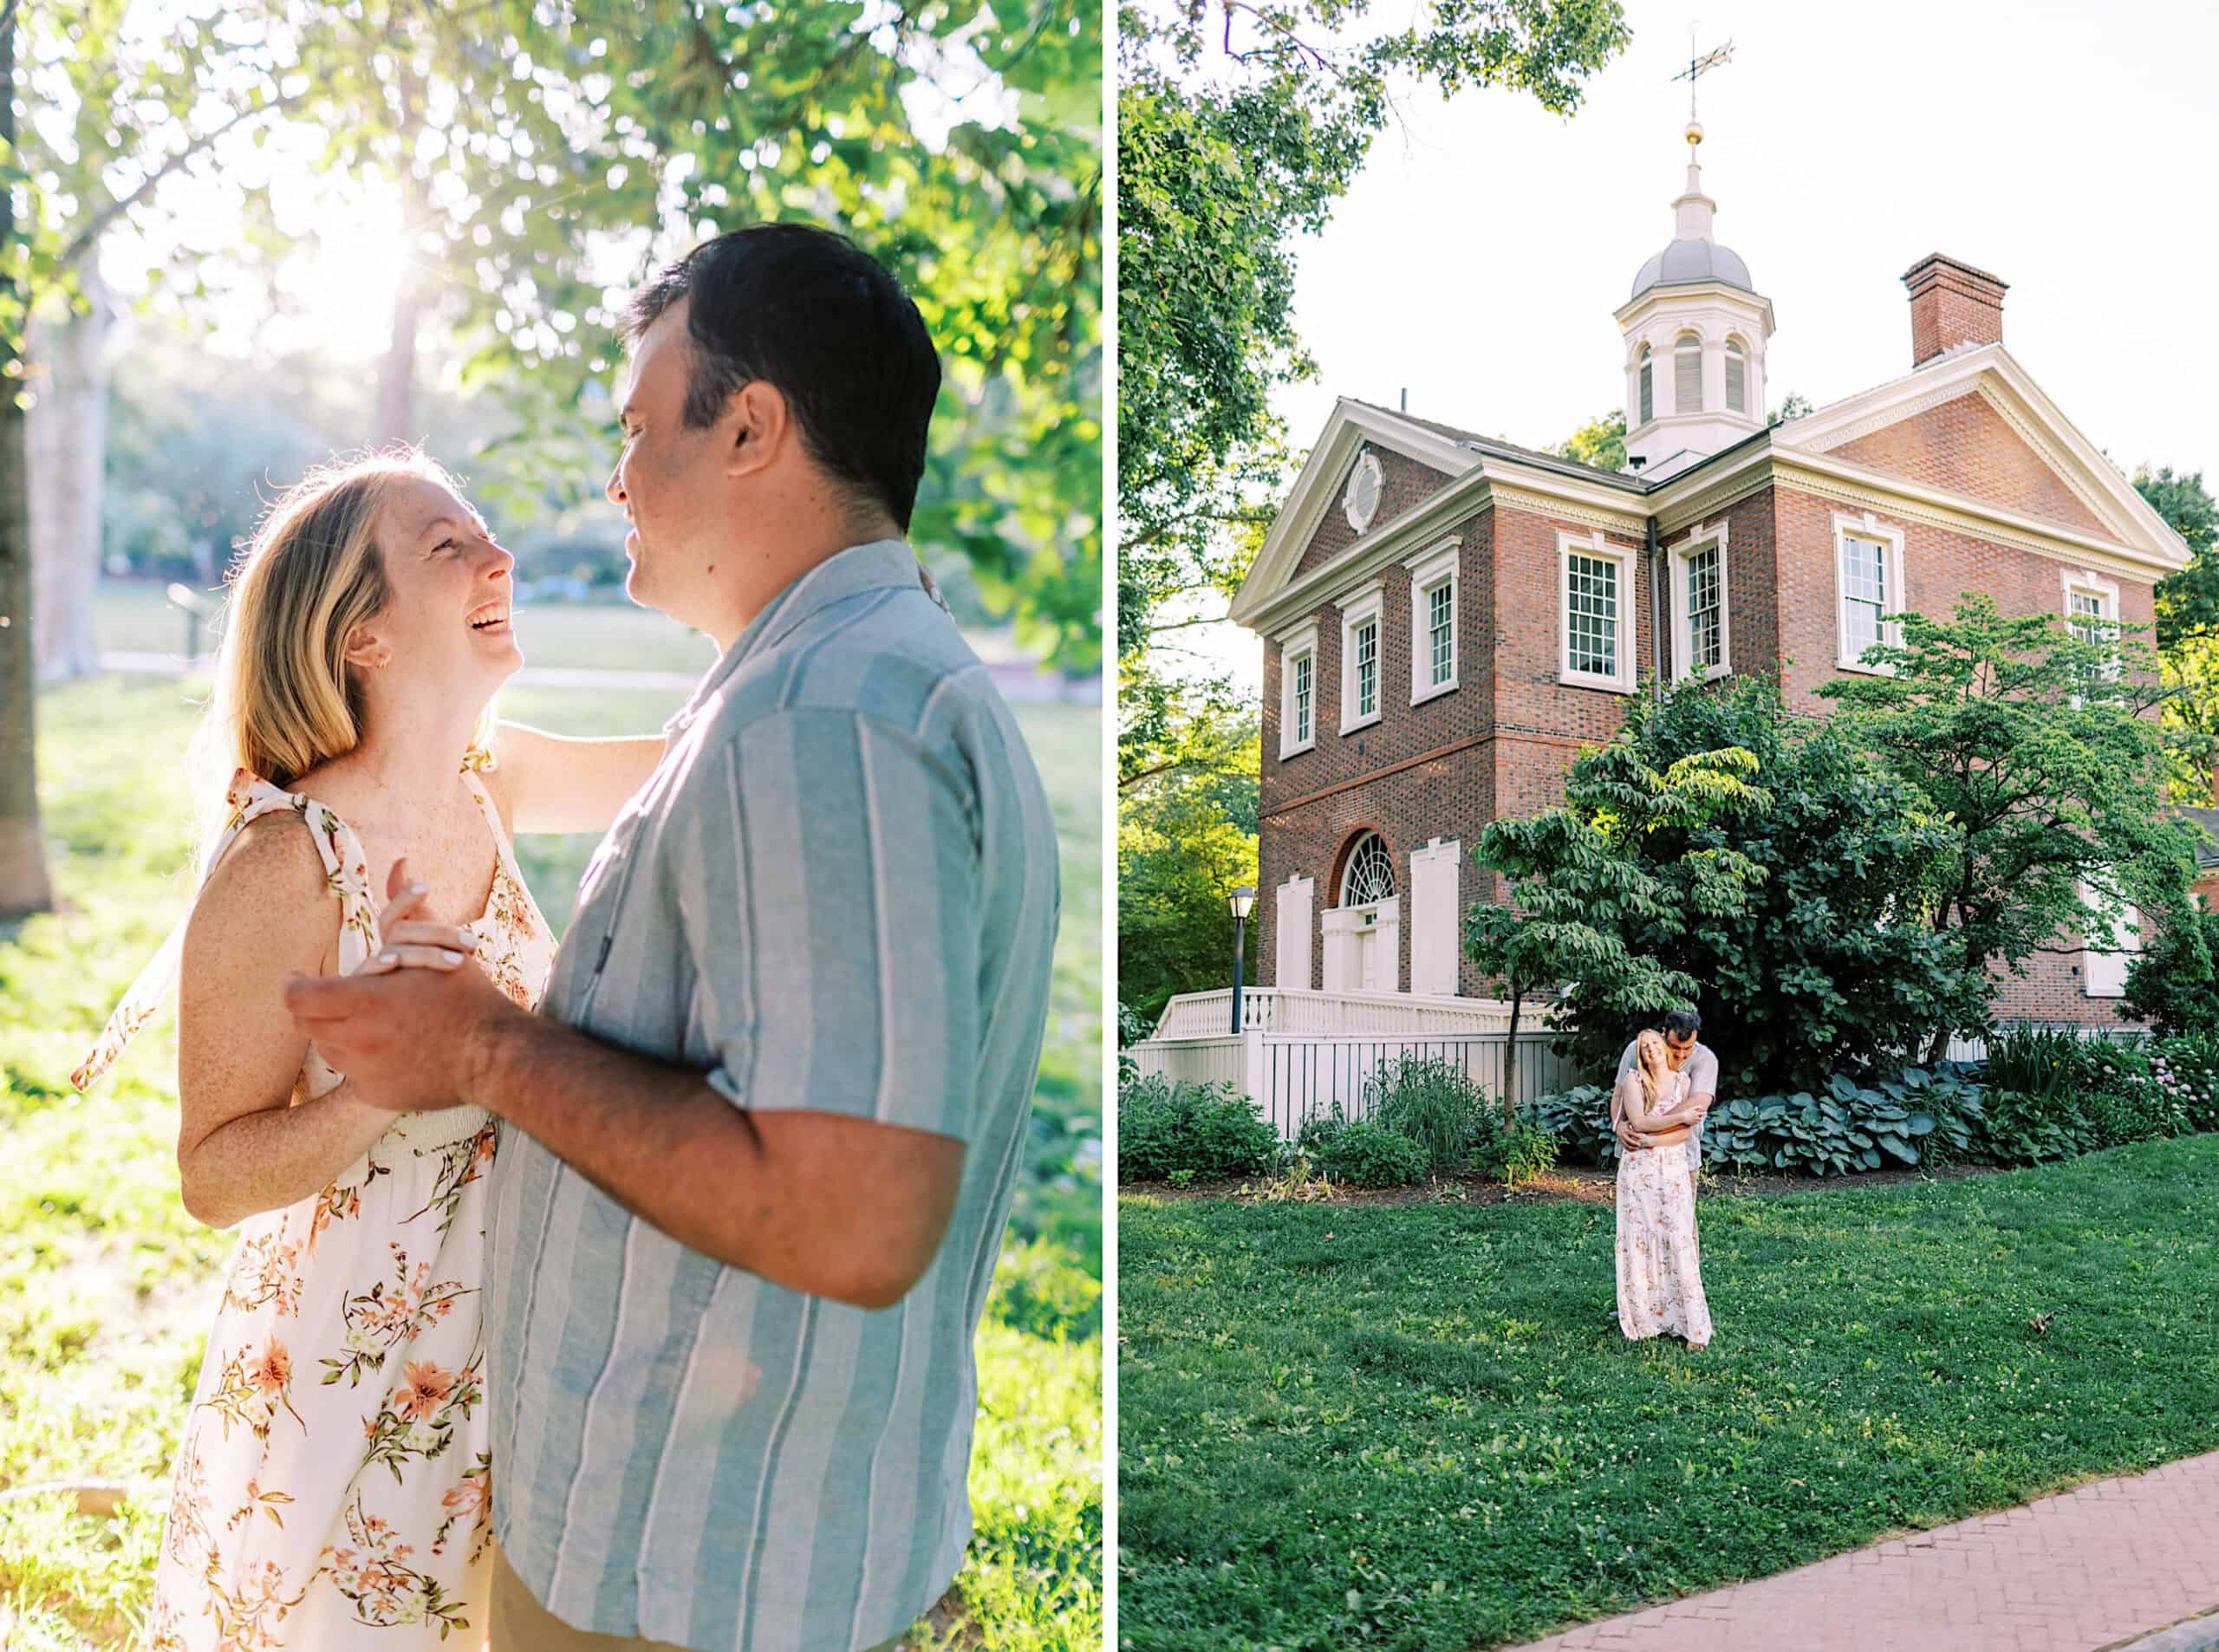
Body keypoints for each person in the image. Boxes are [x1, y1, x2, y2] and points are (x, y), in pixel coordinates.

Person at [280, 223, 1062, 1652]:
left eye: (642, 429)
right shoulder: (828, 684)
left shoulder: (823, 717)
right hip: (719, 1542)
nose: (615, 476)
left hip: (691, 1577)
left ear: (751, 428)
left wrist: (478, 1044)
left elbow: (852, 1212)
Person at [75, 449, 671, 1647]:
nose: (499, 558)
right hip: (349, 1369)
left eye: (485, 536)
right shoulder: (285, 859)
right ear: (363, 636)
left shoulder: (487, 780)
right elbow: (210, 1173)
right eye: (448, 548)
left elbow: (686, 769)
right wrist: (377, 1094)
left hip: (512, 1344)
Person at [1614, 1029, 1714, 1350]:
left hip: (1671, 1169)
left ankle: (1692, 1325)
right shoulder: (1634, 1081)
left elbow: (1684, 1133)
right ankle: (1646, 1320)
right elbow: (1638, 1121)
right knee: (1640, 1239)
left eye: (1654, 1045)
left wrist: (1657, 1138)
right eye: (1644, 1048)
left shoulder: (1684, 1083)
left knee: (1678, 1238)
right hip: (1639, 1171)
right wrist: (1672, 1121)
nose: (1650, 1051)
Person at [1615, 1006, 1719, 1193]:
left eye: (1687, 1048)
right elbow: (1618, 1095)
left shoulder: (1705, 1059)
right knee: (1638, 1214)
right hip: (1636, 1148)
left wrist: (1646, 1127)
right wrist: (1619, 1126)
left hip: (1680, 1150)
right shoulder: (1637, 1049)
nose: (1680, 1054)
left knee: (1681, 1216)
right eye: (1674, 1047)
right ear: (1663, 1034)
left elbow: (1698, 1105)